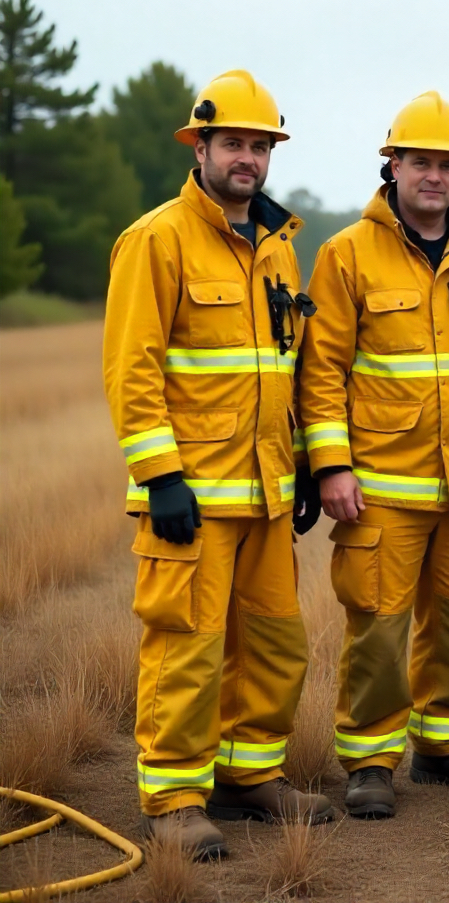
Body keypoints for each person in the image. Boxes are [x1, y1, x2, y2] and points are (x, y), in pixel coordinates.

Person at [103, 70, 330, 859]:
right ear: (199, 147)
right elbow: (132, 368)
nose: (248, 158)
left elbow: (284, 366)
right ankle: (173, 799)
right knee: (186, 646)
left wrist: (299, 465)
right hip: (189, 498)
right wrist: (160, 475)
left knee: (272, 643)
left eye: (260, 145)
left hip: (265, 494)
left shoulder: (277, 248)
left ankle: (248, 776)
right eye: (233, 142)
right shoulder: (156, 238)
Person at [299, 91, 449, 819]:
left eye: (448, 164)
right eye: (420, 161)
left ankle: (446, 746)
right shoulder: (346, 255)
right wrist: (331, 466)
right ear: (391, 164)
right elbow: (321, 370)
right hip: (380, 485)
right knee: (379, 627)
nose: (434, 175)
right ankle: (369, 759)